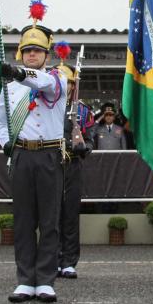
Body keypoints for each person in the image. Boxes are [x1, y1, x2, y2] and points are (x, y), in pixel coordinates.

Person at [0, 0, 67, 304]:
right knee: (23, 219)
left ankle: (46, 279)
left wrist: (17, 72)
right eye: (26, 51)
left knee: (49, 220)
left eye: (36, 51)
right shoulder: (9, 90)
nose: (31, 55)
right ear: (20, 53)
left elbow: (44, 83)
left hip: (49, 155)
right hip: (21, 155)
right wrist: (6, 142)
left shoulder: (56, 79)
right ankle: (25, 278)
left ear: (46, 55)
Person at [55, 46, 95, 280]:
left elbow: (90, 141)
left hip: (71, 166)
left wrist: (83, 147)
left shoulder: (82, 111)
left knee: (70, 214)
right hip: (49, 165)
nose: (64, 85)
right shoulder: (43, 106)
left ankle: (69, 261)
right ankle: (52, 258)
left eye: (68, 82)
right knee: (50, 215)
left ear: (72, 85)